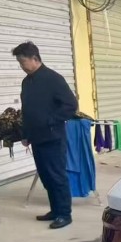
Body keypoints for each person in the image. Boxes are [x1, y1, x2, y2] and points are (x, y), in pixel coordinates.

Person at [13, 41, 78, 229]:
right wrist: (25, 133)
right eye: (19, 63)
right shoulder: (27, 82)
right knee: (46, 177)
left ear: (34, 58)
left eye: (23, 62)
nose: (21, 66)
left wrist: (50, 120)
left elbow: (71, 105)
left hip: (53, 138)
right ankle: (55, 211)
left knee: (57, 176)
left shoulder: (53, 79)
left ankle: (64, 214)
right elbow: (27, 110)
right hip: (36, 138)